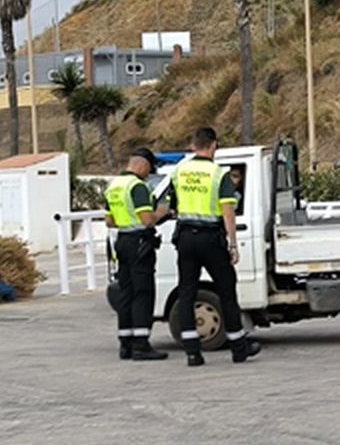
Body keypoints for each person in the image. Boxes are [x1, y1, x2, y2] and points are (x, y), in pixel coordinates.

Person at [170, 127, 260, 367]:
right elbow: (228, 213)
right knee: (226, 291)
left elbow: (173, 207)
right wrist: (233, 245)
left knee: (187, 292)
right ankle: (239, 348)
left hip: (186, 238)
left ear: (193, 145)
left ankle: (192, 353)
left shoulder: (179, 171)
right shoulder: (218, 174)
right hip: (211, 238)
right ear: (213, 146)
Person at [104, 147, 170, 360]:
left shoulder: (114, 186)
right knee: (143, 293)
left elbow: (109, 221)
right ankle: (141, 344)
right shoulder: (137, 187)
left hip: (122, 241)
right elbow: (147, 220)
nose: (149, 174)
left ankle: (126, 344)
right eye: (150, 169)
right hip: (139, 242)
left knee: (126, 293)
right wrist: (163, 212)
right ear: (142, 164)